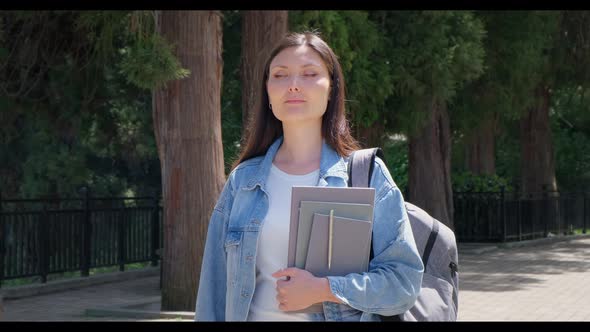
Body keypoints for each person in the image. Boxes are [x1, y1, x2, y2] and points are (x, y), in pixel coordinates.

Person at [195, 31, 423, 322]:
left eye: (309, 73)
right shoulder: (243, 182)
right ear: (267, 91)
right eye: (280, 75)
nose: (293, 85)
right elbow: (213, 294)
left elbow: (404, 283)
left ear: (331, 89)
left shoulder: (366, 176)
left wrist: (325, 289)